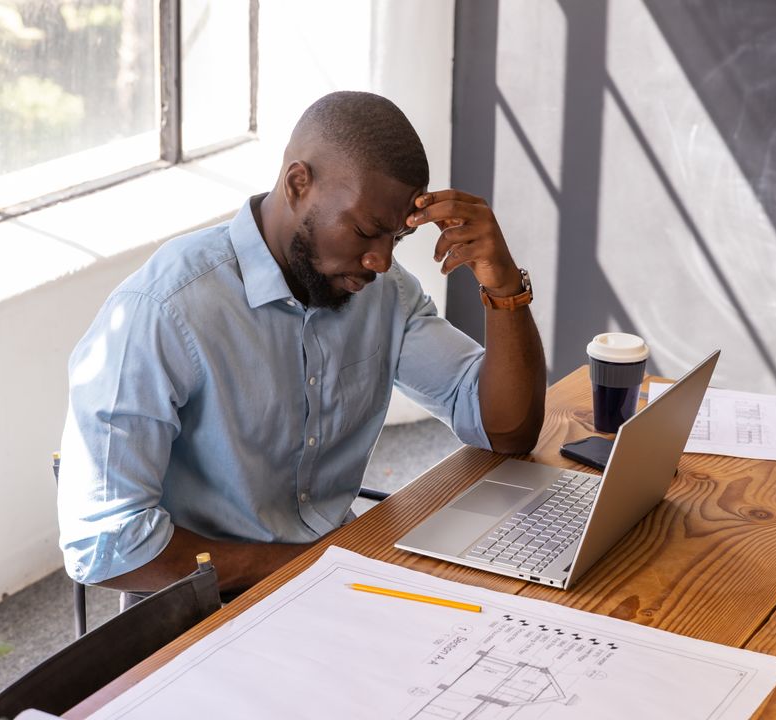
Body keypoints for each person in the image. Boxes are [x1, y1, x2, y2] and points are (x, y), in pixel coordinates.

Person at [57, 91, 546, 600]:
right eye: (365, 232)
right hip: (206, 613)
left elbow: (504, 429)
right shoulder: (162, 309)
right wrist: (312, 569)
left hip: (335, 581)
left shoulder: (384, 291)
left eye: (396, 240)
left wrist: (504, 285)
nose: (380, 260)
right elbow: (106, 544)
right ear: (298, 184)